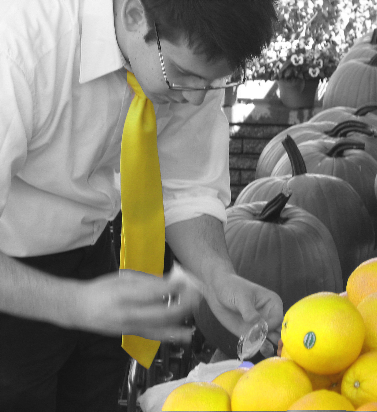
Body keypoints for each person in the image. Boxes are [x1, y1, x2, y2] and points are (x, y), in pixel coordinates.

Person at [0, 0, 283, 411]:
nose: (194, 98)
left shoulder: (187, 60)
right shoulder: (18, 49)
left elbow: (187, 185)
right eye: (183, 74)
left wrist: (217, 277)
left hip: (97, 255)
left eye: (211, 83)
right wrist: (74, 304)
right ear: (135, 14)